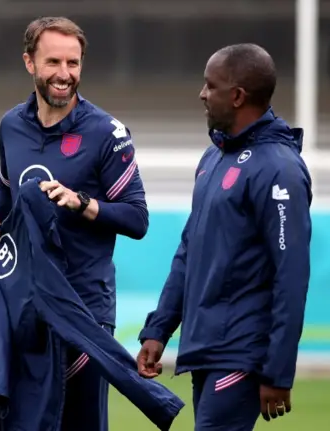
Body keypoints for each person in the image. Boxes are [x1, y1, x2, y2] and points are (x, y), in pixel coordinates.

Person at [0, 16, 149, 431]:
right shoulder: (11, 125)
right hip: (22, 306)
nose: (65, 74)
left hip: (82, 311)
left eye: (74, 63)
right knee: (7, 421)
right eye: (53, 62)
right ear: (29, 63)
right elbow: (4, 187)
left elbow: (138, 219)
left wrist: (82, 203)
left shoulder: (108, 133)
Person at [136, 43, 313, 430]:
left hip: (241, 353)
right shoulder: (213, 159)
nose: (202, 94)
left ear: (237, 96)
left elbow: (292, 275)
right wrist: (159, 327)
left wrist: (278, 372)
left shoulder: (279, 170)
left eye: (209, 85)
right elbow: (189, 250)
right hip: (208, 348)